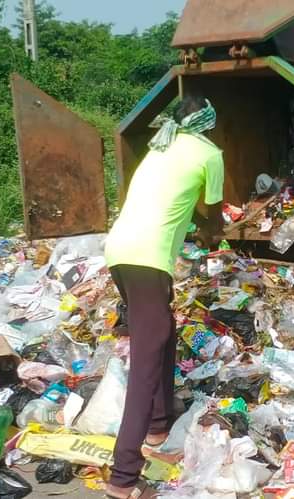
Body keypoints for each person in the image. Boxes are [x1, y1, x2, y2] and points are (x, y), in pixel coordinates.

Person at [103, 95, 224, 499]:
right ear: (208, 122)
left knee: (163, 332)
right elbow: (214, 218)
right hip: (150, 259)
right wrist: (210, 235)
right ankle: (123, 477)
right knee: (145, 361)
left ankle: (159, 426)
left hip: (119, 251)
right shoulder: (210, 153)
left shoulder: (161, 144)